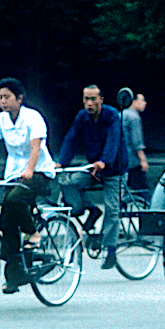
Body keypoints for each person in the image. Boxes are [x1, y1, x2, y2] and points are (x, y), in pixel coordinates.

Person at [0, 78, 56, 294]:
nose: (3, 102)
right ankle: (14, 278)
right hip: (13, 174)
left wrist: (30, 171)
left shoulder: (33, 117)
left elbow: (36, 148)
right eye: (0, 98)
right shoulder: (0, 119)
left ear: (19, 98)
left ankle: (33, 233)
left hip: (39, 172)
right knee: (6, 218)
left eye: (7, 97)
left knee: (14, 200)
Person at [57, 84, 126, 269]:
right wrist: (61, 162)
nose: (89, 103)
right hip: (93, 168)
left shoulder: (112, 116)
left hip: (113, 169)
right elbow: (71, 138)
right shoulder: (82, 117)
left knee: (113, 209)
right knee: (69, 181)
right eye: (86, 99)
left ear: (101, 100)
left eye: (93, 99)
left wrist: (104, 160)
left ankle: (110, 250)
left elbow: (114, 139)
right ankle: (89, 209)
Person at [123, 92, 150, 193]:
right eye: (142, 100)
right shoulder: (134, 117)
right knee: (142, 189)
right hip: (132, 160)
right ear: (134, 102)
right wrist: (143, 160)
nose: (145, 103)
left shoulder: (121, 114)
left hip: (122, 159)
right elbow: (137, 142)